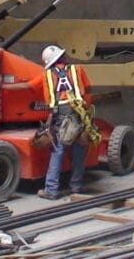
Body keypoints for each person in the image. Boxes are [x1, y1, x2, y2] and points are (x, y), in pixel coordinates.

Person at [37, 45, 94, 200]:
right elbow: (87, 90)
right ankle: (76, 187)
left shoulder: (47, 75)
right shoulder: (78, 69)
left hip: (60, 117)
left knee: (58, 151)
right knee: (78, 151)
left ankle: (51, 190)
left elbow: (48, 100)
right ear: (63, 57)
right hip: (78, 114)